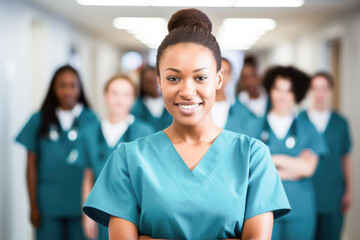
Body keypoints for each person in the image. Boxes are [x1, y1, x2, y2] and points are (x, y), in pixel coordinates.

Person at [83, 8, 290, 239]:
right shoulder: (128, 159)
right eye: (173, 78)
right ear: (159, 82)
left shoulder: (253, 156)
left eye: (200, 77)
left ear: (219, 79)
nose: (187, 91)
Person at [15, 65, 98, 240]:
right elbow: (30, 166)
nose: (68, 90)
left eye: (72, 85)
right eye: (62, 85)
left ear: (80, 88)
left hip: (82, 205)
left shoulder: (91, 119)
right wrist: (33, 206)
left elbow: (96, 165)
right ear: (54, 88)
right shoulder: (38, 119)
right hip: (48, 205)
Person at [80, 75, 155, 240]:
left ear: (133, 99)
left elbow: (149, 180)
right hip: (98, 208)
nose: (119, 99)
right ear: (105, 95)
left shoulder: (145, 132)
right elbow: (88, 176)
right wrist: (87, 215)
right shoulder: (89, 132)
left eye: (126, 94)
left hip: (132, 210)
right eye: (114, 93)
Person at [260, 66, 327, 240]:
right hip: (264, 210)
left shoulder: (307, 127)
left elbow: (307, 169)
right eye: (277, 89)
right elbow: (251, 170)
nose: (282, 96)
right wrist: (293, 165)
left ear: (297, 94)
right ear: (269, 90)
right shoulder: (255, 126)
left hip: (300, 209)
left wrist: (271, 160)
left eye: (288, 90)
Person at [303, 72, 352, 240]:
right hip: (306, 194)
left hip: (333, 193)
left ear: (330, 91)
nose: (319, 94)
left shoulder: (340, 122)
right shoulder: (300, 120)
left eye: (324, 89)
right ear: (309, 91)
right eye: (315, 88)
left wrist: (349, 191)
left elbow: (345, 158)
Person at [212, 58, 263, 138]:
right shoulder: (197, 108)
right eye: (215, 72)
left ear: (230, 76)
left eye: (224, 73)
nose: (219, 77)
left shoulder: (243, 111)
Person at [132, 66, 173, 131]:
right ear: (142, 84)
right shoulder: (136, 107)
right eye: (148, 82)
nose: (153, 85)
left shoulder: (173, 104)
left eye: (155, 81)